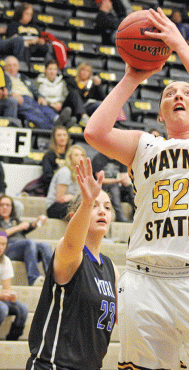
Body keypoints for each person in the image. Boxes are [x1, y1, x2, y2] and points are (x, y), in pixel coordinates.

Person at [84, 7, 189, 370]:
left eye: (187, 92)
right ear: (160, 113)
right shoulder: (143, 145)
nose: (179, 96)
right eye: (169, 93)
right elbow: (95, 132)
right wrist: (132, 78)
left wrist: (180, 45)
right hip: (144, 278)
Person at [26, 158, 119, 370]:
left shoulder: (111, 268)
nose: (102, 211)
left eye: (107, 207)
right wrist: (86, 203)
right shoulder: (70, 252)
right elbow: (71, 243)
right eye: (95, 206)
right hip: (53, 365)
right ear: (73, 216)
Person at [0, 195, 52, 287]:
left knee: (45, 245)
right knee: (29, 242)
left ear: (12, 208)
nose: (5, 207)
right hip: (8, 249)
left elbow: (26, 227)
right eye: (2, 205)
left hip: (25, 248)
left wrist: (36, 223)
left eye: (8, 205)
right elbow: (2, 235)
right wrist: (17, 228)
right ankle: (34, 279)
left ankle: (52, 280)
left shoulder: (15, 220)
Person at [4, 55, 62, 129]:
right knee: (35, 112)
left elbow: (34, 89)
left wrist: (40, 96)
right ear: (5, 67)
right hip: (20, 100)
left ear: (18, 66)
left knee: (44, 107)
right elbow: (3, 91)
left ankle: (57, 119)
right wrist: (11, 94)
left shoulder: (24, 77)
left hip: (31, 99)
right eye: (9, 65)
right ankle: (54, 128)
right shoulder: (3, 77)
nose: (12, 68)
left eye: (14, 65)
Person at [0, 229, 28, 341]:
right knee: (2, 308)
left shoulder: (5, 261)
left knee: (23, 309)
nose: (1, 247)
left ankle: (12, 338)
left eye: (3, 244)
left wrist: (9, 295)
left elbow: (7, 288)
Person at [45, 145, 87, 220]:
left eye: (82, 155)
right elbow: (60, 199)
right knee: (79, 209)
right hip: (55, 207)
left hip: (71, 203)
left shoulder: (82, 173)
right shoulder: (65, 172)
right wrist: (73, 197)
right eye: (76, 155)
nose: (80, 157)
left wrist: (72, 197)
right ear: (70, 158)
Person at [91, 151, 133, 222]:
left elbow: (123, 176)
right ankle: (120, 216)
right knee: (114, 187)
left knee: (131, 188)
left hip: (115, 184)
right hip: (100, 187)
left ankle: (137, 212)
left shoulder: (120, 158)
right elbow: (101, 180)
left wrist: (125, 182)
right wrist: (118, 180)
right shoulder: (98, 158)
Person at [34, 60, 74, 128]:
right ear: (45, 70)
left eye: (55, 69)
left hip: (59, 107)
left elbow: (65, 95)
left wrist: (60, 103)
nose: (52, 72)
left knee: (68, 109)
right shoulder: (38, 81)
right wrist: (50, 104)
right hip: (45, 106)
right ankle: (60, 123)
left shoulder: (62, 82)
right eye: (50, 69)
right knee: (42, 107)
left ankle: (57, 123)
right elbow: (36, 95)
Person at [65, 62, 106, 126]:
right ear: (79, 71)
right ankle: (83, 116)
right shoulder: (71, 81)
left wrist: (98, 85)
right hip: (72, 107)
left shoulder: (92, 84)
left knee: (98, 105)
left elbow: (103, 98)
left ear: (90, 74)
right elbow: (74, 96)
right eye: (83, 70)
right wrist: (84, 86)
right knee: (74, 92)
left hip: (86, 107)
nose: (84, 73)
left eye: (87, 71)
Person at [40, 125, 72, 195]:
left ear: (68, 137)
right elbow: (47, 176)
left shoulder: (72, 154)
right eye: (59, 135)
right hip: (54, 190)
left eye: (64, 135)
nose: (62, 138)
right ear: (54, 138)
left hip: (71, 189)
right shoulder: (48, 156)